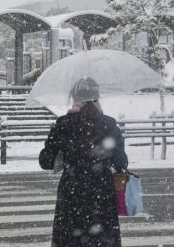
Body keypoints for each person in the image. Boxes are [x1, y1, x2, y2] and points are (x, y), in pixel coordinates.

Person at [39, 77, 128, 247]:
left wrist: (54, 138)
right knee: (102, 241)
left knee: (71, 240)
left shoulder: (63, 124)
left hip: (72, 193)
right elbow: (121, 163)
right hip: (101, 193)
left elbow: (46, 161)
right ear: (97, 98)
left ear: (74, 97)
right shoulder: (108, 124)